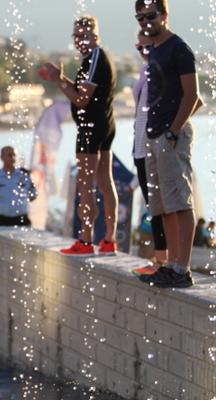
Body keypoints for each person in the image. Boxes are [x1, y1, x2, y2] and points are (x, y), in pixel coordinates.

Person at [135, 0, 200, 288]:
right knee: (163, 206)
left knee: (180, 202)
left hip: (170, 136)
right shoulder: (155, 51)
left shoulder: (179, 48)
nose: (145, 22)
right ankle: (171, 265)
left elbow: (192, 96)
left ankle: (182, 270)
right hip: (154, 135)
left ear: (164, 15)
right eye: (140, 18)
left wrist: (173, 132)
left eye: (150, 16)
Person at [41, 16, 119, 256]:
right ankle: (109, 240)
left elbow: (81, 99)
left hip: (91, 127)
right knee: (104, 181)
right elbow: (83, 93)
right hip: (105, 123)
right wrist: (62, 79)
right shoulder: (97, 57)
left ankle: (86, 241)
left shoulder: (95, 58)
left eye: (84, 35)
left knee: (86, 185)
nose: (79, 40)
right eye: (76, 35)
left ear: (96, 36)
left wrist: (58, 81)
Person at [130, 30, 168, 275]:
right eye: (140, 48)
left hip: (153, 145)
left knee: (160, 205)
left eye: (148, 47)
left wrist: (171, 132)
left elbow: (190, 99)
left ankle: (164, 261)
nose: (144, 52)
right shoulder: (146, 70)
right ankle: (160, 259)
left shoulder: (163, 69)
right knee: (152, 205)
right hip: (140, 145)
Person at [0, 146, 37, 227]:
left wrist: (21, 203)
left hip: (21, 220)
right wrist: (2, 205)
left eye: (14, 155)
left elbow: (33, 194)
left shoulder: (25, 175)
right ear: (2, 157)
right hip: (0, 220)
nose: (12, 158)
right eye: (9, 155)